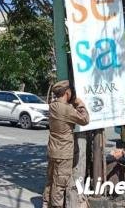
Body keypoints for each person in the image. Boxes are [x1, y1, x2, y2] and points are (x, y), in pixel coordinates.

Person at [43, 80, 89, 208]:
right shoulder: (67, 109)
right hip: (64, 154)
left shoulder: (52, 106)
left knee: (50, 181)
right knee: (60, 185)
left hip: (52, 151)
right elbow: (85, 120)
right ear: (67, 92)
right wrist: (80, 105)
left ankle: (46, 204)